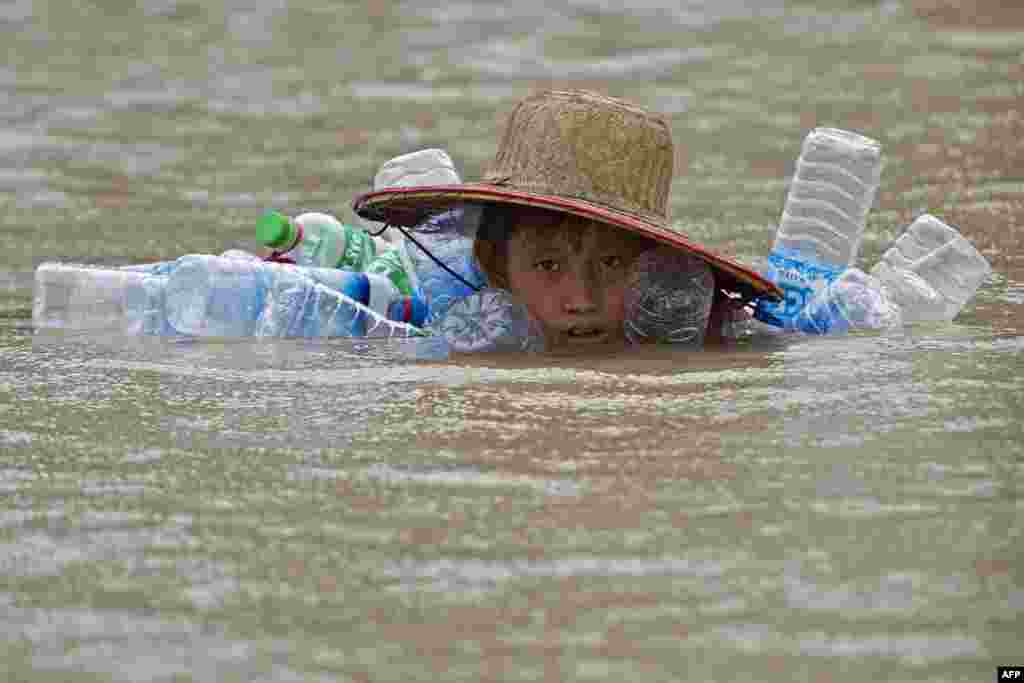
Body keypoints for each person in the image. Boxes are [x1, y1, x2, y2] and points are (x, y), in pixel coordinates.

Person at [352, 89, 781, 351]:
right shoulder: (451, 339)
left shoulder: (701, 337)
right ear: (497, 267)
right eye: (548, 265)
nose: (581, 299)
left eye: (612, 264)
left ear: (655, 270)